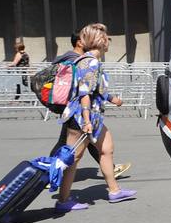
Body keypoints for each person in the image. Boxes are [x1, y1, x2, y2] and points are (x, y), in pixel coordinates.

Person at [54, 23, 136, 212]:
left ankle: (114, 191)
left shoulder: (91, 61)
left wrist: (112, 98)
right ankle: (63, 200)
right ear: (100, 41)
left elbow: (94, 90)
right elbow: (84, 93)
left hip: (92, 115)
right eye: (106, 38)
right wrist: (87, 121)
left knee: (107, 149)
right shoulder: (90, 61)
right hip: (82, 117)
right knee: (74, 158)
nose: (108, 42)